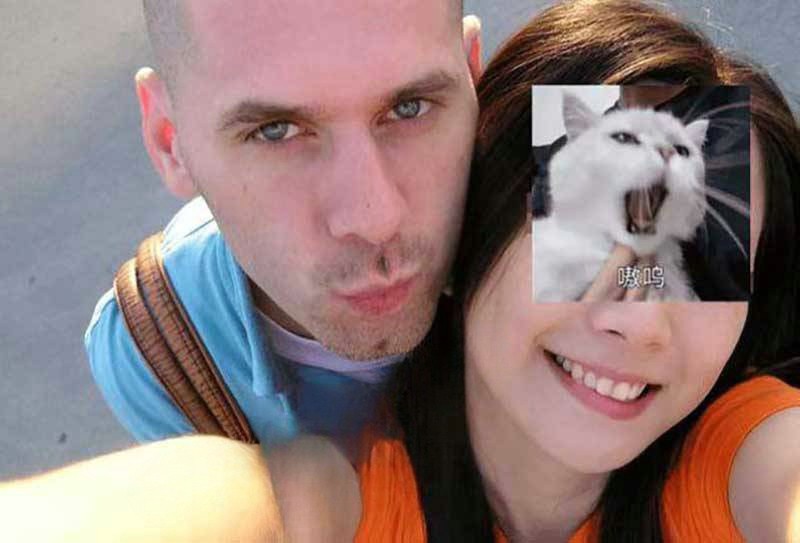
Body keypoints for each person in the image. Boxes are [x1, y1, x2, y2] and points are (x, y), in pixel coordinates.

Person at [353, 1, 800, 541]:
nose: (639, 323)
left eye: (701, 263)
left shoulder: (743, 456)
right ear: (458, 240)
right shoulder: (338, 488)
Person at [85, 0, 482, 452]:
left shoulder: (553, 191)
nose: (374, 219)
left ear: (474, 75)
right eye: (275, 131)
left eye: (410, 108)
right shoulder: (154, 350)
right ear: (170, 141)